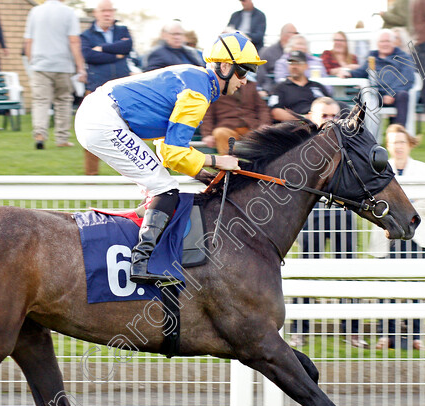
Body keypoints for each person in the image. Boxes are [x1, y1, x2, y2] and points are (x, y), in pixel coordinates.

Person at [75, 31, 263, 284]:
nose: (245, 81)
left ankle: (138, 244)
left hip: (99, 115)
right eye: (243, 72)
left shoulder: (197, 81)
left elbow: (167, 151)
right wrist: (218, 161)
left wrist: (203, 174)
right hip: (103, 120)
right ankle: (141, 262)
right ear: (226, 67)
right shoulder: (197, 94)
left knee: (160, 187)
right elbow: (175, 153)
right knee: (165, 188)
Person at [290, 96, 364, 349]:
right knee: (306, 272)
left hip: (343, 214)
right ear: (312, 117)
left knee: (348, 272)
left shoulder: (347, 144)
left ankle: (352, 330)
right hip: (312, 216)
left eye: (335, 117)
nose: (331, 121)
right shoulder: (302, 146)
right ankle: (299, 329)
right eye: (324, 116)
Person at [371, 124, 425, 351]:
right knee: (385, 288)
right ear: (387, 146)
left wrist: (400, 207)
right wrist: (408, 204)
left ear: (409, 144)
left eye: (401, 142)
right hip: (385, 238)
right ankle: (385, 335)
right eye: (393, 142)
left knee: (414, 288)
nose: (397, 147)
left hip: (415, 238)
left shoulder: (423, 169)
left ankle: (415, 335)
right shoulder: (379, 168)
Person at [24, 0, 87, 150]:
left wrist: (31, 61)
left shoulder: (35, 12)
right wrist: (80, 66)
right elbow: (74, 41)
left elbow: (28, 41)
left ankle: (39, 135)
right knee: (63, 101)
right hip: (63, 65)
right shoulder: (69, 12)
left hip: (40, 65)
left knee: (40, 101)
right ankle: (62, 139)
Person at [80, 0, 133, 175]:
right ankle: (91, 176)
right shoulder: (86, 35)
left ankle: (133, 174)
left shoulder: (122, 31)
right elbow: (89, 55)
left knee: (129, 134)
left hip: (123, 89)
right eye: (103, 10)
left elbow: (127, 47)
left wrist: (102, 48)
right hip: (97, 88)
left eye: (110, 10)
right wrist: (116, 55)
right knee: (91, 132)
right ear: (96, 13)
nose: (107, 13)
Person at [345, 29, 415, 127]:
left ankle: (398, 132)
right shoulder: (372, 56)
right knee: (364, 94)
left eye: (387, 41)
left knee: (403, 95)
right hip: (376, 94)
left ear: (393, 43)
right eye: (382, 41)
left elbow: (408, 78)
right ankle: (359, 133)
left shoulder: (403, 57)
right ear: (377, 43)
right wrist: (348, 73)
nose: (384, 44)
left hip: (396, 94)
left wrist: (391, 93)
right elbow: (362, 71)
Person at [200, 78, 271, 154]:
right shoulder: (216, 87)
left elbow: (262, 108)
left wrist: (264, 124)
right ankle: (229, 162)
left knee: (265, 135)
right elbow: (207, 114)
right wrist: (207, 134)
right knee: (220, 132)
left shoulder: (251, 85)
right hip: (228, 128)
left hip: (251, 128)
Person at [268, 50, 330, 122]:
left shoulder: (317, 86)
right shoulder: (281, 87)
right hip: (293, 126)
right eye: (291, 63)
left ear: (306, 66)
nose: (294, 66)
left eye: (298, 63)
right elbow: (275, 112)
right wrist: (303, 118)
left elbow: (330, 105)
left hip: (318, 124)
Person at [256, 23, 297, 95]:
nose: (297, 36)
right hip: (273, 90)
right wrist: (266, 89)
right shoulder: (268, 52)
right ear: (284, 35)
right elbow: (262, 74)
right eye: (295, 33)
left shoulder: (298, 53)